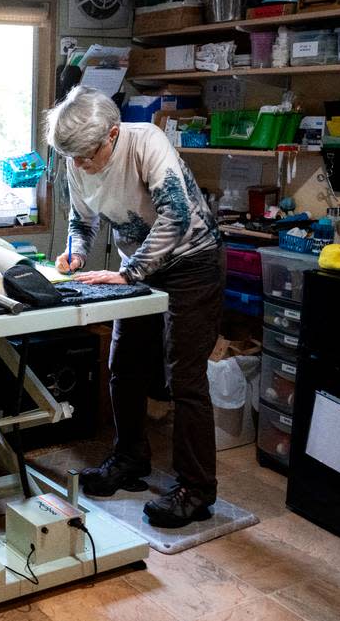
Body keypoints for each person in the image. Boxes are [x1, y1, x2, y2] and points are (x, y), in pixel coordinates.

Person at [44, 85, 224, 528]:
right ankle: (129, 459)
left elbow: (176, 217)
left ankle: (196, 490)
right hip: (140, 265)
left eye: (88, 154)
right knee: (123, 364)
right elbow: (80, 219)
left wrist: (128, 275)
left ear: (112, 134)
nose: (82, 164)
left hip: (191, 261)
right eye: (74, 157)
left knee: (184, 377)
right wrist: (76, 253)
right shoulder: (76, 159)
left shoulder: (147, 142)